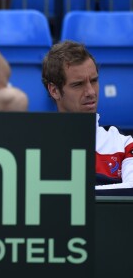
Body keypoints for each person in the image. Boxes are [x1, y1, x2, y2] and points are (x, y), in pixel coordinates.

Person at [42, 40, 133, 190]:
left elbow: (130, 192)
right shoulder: (35, 146)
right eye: (78, 84)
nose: (91, 92)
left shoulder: (124, 144)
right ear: (54, 91)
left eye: (94, 81)